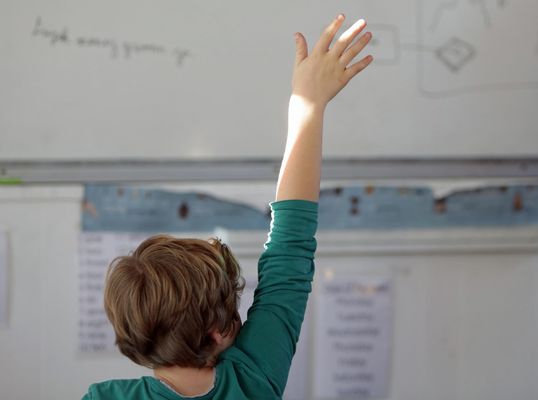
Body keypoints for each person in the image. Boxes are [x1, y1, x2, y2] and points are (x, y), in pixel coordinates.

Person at [82, 14, 373, 400]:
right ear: (219, 333)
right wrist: (310, 103)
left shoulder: (104, 398)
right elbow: (289, 251)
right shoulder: (253, 377)